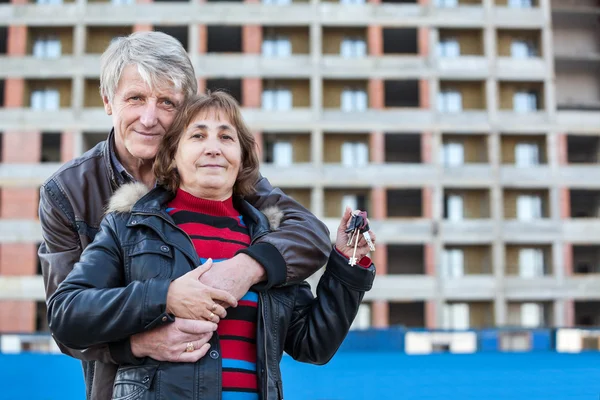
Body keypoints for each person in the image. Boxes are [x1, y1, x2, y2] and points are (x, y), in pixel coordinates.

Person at [38, 31, 331, 400]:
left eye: (166, 102)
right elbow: (67, 319)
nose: (149, 118)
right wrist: (139, 342)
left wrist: (246, 268)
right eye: (135, 98)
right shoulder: (66, 192)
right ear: (108, 101)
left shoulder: (221, 171)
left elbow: (309, 233)